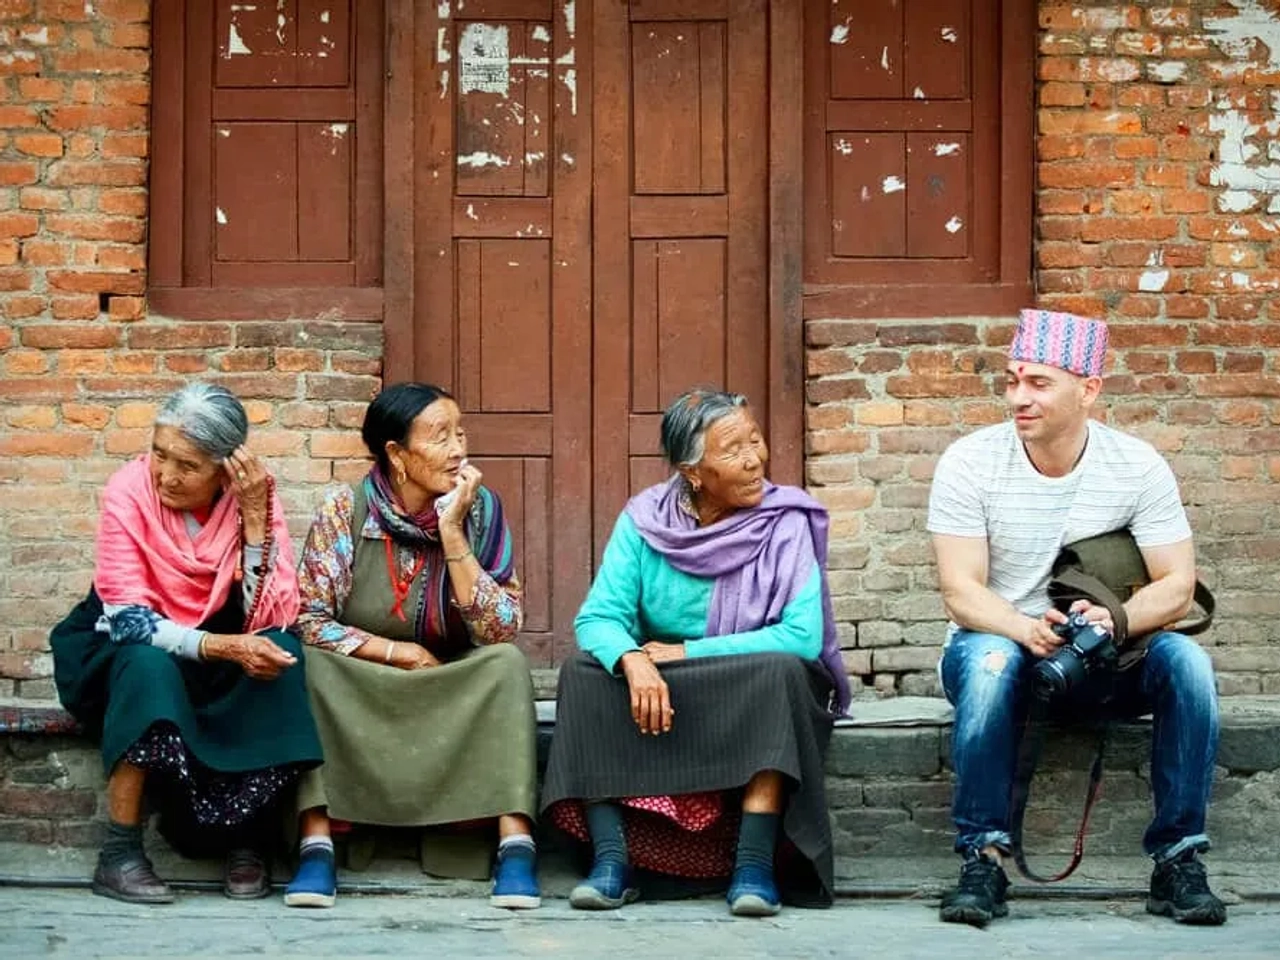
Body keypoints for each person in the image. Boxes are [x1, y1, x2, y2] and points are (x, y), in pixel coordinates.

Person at [927, 309, 1225, 927]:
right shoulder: (970, 461)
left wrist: (1115, 617)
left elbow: (1178, 586)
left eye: (1038, 383)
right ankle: (981, 858)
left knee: (1189, 665)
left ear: (1088, 389)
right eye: (1012, 380)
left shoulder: (1136, 465)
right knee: (988, 658)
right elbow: (960, 590)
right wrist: (1023, 627)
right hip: (999, 648)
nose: (1018, 397)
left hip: (1107, 657)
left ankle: (1178, 859)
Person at [542, 388, 851, 917]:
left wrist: (688, 652)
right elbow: (598, 618)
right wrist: (632, 660)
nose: (755, 458)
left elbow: (801, 637)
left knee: (778, 672)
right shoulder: (644, 521)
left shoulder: (787, 521)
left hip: (745, 683)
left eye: (755, 440)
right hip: (667, 685)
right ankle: (612, 861)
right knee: (583, 673)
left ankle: (753, 866)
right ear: (692, 471)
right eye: (733, 449)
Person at [50, 383, 322, 904]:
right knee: (146, 665)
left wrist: (256, 519)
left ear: (227, 470)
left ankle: (249, 839)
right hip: (119, 642)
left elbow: (269, 611)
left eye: (187, 465)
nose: (165, 475)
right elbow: (127, 619)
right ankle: (119, 852)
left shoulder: (252, 499)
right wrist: (223, 647)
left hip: (214, 639)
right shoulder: (128, 491)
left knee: (280, 653)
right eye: (159, 453)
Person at [284, 382, 539, 910]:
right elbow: (309, 619)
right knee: (306, 665)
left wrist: (453, 533)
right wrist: (396, 653)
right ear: (397, 454)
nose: (458, 449)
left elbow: (501, 627)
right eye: (440, 436)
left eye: (461, 432)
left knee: (506, 664)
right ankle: (316, 844)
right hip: (367, 682)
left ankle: (515, 845)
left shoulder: (481, 511)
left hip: (450, 678)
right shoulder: (344, 510)